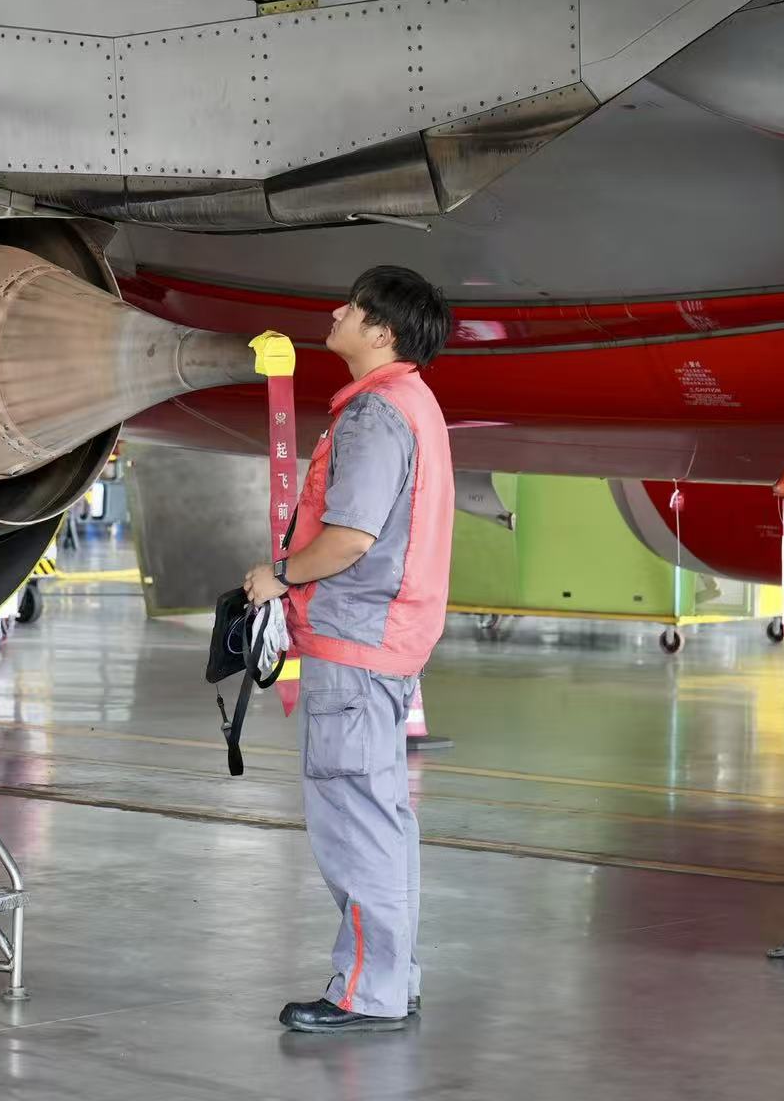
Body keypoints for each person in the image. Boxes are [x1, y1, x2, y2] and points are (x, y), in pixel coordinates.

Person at [244, 264, 454, 1034]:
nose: (336, 311)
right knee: (384, 816)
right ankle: (393, 979)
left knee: (355, 823)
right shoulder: (416, 404)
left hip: (356, 644)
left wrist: (277, 577)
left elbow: (351, 538)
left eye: (354, 307)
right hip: (389, 642)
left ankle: (365, 990)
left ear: (382, 331)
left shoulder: (374, 416)